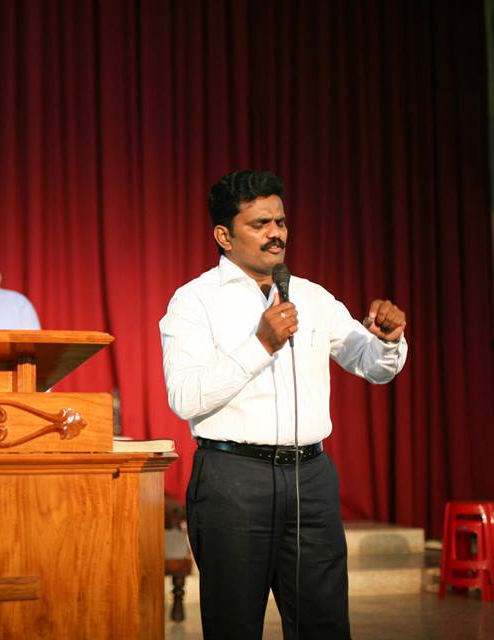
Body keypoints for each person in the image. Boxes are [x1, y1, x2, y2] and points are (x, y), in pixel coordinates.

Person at [159, 170, 408, 639]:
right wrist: (260, 345)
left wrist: (389, 341)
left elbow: (372, 364)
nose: (276, 234)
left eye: (281, 221)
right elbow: (184, 396)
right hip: (233, 482)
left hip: (310, 480)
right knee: (234, 626)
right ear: (224, 236)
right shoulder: (193, 302)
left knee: (325, 625)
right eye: (260, 224)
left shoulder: (312, 297)